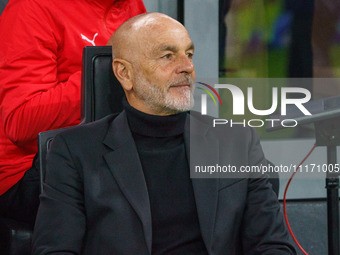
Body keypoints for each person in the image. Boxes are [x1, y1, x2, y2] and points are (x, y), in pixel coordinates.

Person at [32, 12, 296, 254]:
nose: (186, 67)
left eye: (189, 54)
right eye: (167, 56)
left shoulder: (236, 141)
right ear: (124, 73)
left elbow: (272, 246)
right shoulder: (74, 151)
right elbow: (55, 250)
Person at [0, 0, 146, 226]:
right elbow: (20, 121)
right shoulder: (32, 7)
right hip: (29, 168)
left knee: (193, 180)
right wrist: (101, 75)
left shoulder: (132, 5)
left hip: (107, 151)